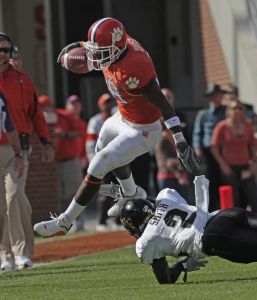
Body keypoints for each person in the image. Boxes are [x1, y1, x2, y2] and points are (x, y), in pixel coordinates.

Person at [34, 17, 200, 238]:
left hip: (143, 129)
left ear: (118, 48)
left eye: (101, 51)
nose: (96, 56)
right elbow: (93, 45)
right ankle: (130, 193)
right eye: (96, 50)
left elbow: (162, 103)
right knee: (103, 148)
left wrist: (179, 138)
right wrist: (78, 46)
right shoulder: (118, 43)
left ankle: (65, 221)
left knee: (100, 162)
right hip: (122, 116)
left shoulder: (133, 66)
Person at [119, 175, 257, 284]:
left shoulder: (146, 241)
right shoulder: (164, 197)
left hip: (211, 236)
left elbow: (165, 279)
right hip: (223, 215)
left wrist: (181, 266)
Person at [0, 32, 54, 270]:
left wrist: (46, 141)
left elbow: (36, 114)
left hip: (18, 148)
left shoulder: (22, 80)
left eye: (6, 50)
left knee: (13, 195)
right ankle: (5, 256)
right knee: (8, 203)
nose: (3, 54)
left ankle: (20, 252)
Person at [211, 99, 257, 211]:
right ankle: (234, 224)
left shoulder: (247, 126)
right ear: (229, 111)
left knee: (253, 196)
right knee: (234, 198)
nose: (237, 110)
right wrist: (223, 165)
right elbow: (214, 147)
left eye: (240, 108)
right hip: (229, 167)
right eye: (234, 108)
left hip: (245, 166)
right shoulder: (222, 126)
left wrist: (253, 162)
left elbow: (253, 145)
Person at [192, 83, 227, 211]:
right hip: (208, 153)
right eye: (213, 95)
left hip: (225, 152)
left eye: (218, 95)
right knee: (210, 182)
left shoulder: (227, 111)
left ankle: (226, 208)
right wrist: (197, 147)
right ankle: (211, 211)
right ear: (210, 98)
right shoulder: (203, 114)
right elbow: (197, 132)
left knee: (225, 180)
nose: (216, 98)